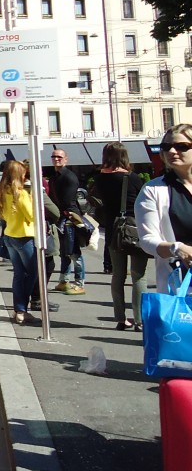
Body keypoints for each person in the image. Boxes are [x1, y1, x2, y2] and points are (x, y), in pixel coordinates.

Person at [87, 142, 148, 331]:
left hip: (114, 230)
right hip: (135, 228)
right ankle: (139, 319)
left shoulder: (98, 179)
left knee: (118, 276)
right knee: (139, 276)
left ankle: (121, 319)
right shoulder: (133, 178)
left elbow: (96, 202)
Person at [136, 124, 192, 291]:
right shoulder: (153, 190)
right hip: (182, 286)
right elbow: (147, 241)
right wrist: (178, 248)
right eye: (166, 147)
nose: (172, 151)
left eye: (181, 146)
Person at [0, 160, 38, 325]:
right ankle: (21, 308)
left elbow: (4, 216)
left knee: (19, 274)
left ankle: (19, 309)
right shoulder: (21, 194)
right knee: (32, 273)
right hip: (24, 237)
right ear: (19, 175)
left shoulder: (2, 192)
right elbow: (32, 216)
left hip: (9, 236)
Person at [48, 147, 85, 295]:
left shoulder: (69, 177)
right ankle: (64, 281)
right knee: (64, 251)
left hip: (70, 218)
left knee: (74, 251)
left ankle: (79, 282)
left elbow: (67, 201)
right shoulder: (55, 176)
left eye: (59, 157)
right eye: (54, 157)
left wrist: (63, 216)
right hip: (61, 218)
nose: (56, 159)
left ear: (66, 159)